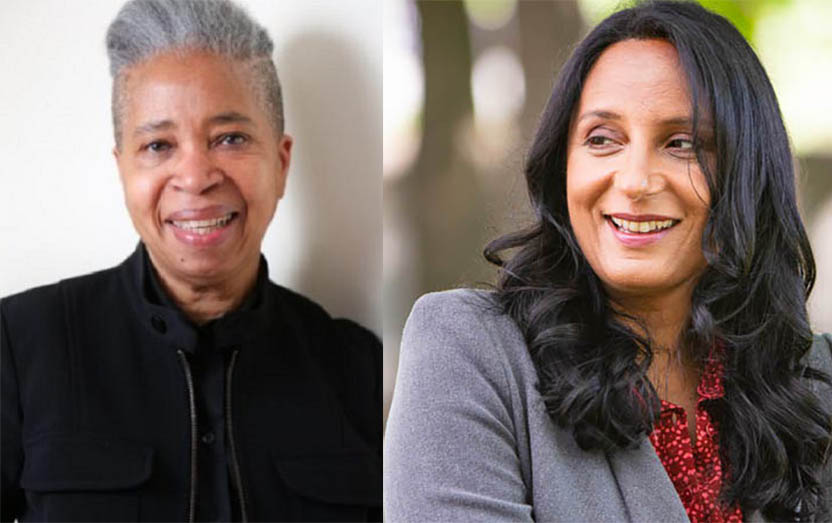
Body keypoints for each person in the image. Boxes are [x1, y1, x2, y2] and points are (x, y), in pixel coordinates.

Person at [384, 1, 832, 521]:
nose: (636, 181)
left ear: (747, 173)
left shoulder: (809, 384)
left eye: (681, 143)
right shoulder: (472, 353)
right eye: (602, 139)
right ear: (563, 166)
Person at [0, 1, 381, 521]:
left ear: (281, 162)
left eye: (230, 138)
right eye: (159, 145)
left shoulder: (357, 367)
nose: (196, 177)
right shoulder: (20, 346)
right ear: (122, 170)